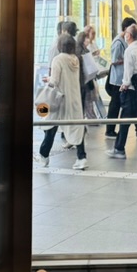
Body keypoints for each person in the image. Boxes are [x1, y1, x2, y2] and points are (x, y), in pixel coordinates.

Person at [34, 33, 87, 171]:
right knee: (76, 128)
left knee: (50, 127)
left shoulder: (58, 59)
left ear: (60, 45)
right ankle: (81, 158)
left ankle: (44, 156)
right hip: (74, 99)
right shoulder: (75, 59)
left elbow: (54, 81)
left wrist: (48, 80)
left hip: (59, 99)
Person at [106, 24, 137, 160]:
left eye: (126, 33)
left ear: (129, 35)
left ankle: (119, 149)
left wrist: (124, 85)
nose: (124, 34)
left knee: (125, 120)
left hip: (131, 90)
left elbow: (128, 70)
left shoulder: (129, 50)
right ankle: (119, 148)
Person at [105, 16, 137, 138]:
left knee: (121, 104)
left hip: (122, 78)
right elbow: (114, 60)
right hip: (117, 80)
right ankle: (110, 129)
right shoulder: (118, 42)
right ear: (125, 28)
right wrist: (126, 60)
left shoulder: (124, 40)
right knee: (115, 105)